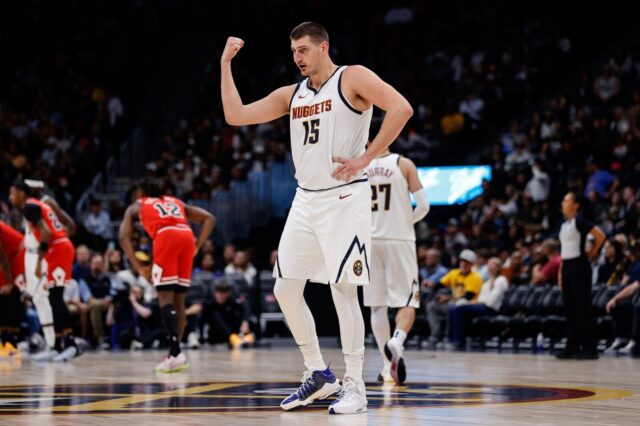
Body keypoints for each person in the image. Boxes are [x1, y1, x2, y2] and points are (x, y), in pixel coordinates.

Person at [220, 21, 413, 414]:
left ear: (324, 47)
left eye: (304, 50)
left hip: (345, 198)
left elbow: (401, 108)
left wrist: (367, 156)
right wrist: (225, 63)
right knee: (284, 288)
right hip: (306, 199)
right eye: (294, 52)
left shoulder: (352, 77)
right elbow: (235, 116)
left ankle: (356, 385)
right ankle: (320, 373)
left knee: (344, 290)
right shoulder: (292, 94)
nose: (298, 58)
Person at [119, 183, 215, 373]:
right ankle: (175, 352)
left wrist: (141, 268)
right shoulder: (175, 201)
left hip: (165, 236)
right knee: (179, 302)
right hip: (187, 236)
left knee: (165, 299)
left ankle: (176, 352)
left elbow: (123, 237)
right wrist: (197, 245)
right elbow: (209, 219)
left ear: (141, 193)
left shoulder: (138, 204)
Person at [364, 148, 429, 384]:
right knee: (408, 299)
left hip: (369, 242)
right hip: (399, 240)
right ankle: (398, 340)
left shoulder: (360, 165)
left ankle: (385, 365)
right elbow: (423, 206)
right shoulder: (404, 164)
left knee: (377, 307)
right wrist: (403, 221)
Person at [9, 181, 79, 362]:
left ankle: (71, 344)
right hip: (56, 249)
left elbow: (46, 233)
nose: (10, 197)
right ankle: (56, 345)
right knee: (51, 298)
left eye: (13, 193)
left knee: (56, 298)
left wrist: (39, 262)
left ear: (21, 193)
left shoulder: (30, 206)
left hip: (57, 250)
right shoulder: (37, 204)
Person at [556, 191, 605, 360]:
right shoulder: (564, 224)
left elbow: (600, 235)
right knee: (569, 309)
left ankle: (590, 348)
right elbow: (563, 251)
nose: (563, 202)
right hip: (567, 266)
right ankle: (572, 346)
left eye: (566, 200)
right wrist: (561, 273)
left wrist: (592, 253)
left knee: (582, 309)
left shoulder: (580, 221)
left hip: (579, 266)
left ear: (575, 205)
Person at [425, 249, 483, 349]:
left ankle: (448, 338)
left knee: (451, 307)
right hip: (452, 302)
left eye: (467, 263)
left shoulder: (476, 277)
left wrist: (447, 298)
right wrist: (430, 284)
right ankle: (435, 336)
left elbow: (467, 297)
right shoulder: (454, 273)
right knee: (431, 306)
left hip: (468, 305)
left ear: (471, 265)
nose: (464, 264)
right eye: (462, 261)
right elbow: (439, 285)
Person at [448, 257, 509, 349]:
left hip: (491, 308)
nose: (490, 267)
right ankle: (451, 339)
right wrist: (474, 302)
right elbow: (481, 297)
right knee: (453, 308)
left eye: (493, 265)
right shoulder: (487, 282)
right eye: (489, 265)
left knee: (458, 310)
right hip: (482, 306)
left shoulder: (501, 280)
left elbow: (492, 300)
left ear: (499, 267)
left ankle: (458, 341)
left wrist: (477, 302)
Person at [0, 221, 26, 357]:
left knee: (9, 295)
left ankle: (12, 341)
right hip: (8, 256)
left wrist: (9, 283)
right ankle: (6, 340)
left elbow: (2, 259)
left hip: (18, 254)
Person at [208, 280, 253, 349]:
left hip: (234, 334)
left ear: (228, 293)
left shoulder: (232, 303)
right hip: (216, 338)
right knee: (215, 315)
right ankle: (234, 338)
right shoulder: (210, 305)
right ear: (214, 292)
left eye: (223, 292)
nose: (220, 295)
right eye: (218, 292)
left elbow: (245, 308)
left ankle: (243, 338)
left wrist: (245, 321)